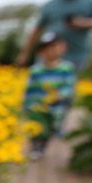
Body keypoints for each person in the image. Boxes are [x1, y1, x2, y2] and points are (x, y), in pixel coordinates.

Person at [23, 32, 75, 160]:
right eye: (47, 48)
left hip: (57, 106)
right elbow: (30, 89)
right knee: (37, 126)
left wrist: (59, 96)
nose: (51, 51)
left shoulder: (66, 68)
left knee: (51, 128)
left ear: (63, 48)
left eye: (54, 46)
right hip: (37, 105)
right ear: (41, 52)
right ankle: (36, 148)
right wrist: (27, 104)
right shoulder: (35, 69)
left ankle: (43, 145)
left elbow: (68, 87)